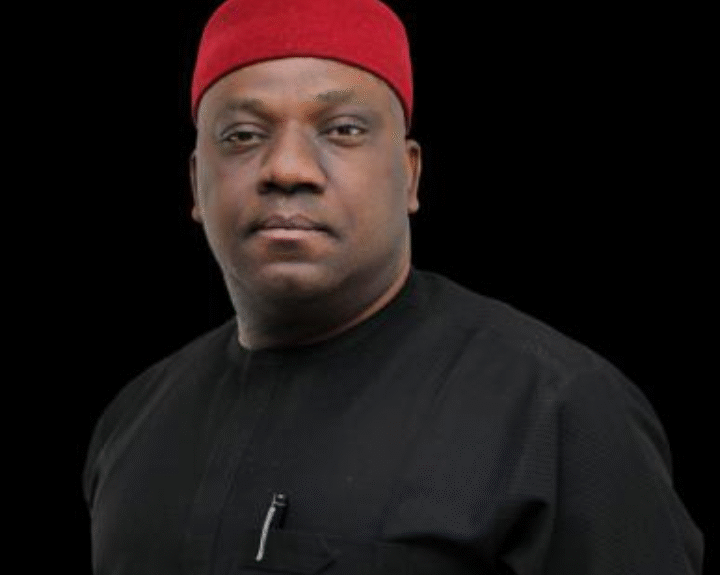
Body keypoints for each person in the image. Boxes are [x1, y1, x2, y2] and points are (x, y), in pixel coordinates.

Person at [82, 0, 704, 573]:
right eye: (243, 135)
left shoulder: (556, 412)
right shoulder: (133, 425)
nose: (288, 168)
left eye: (342, 130)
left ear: (409, 175)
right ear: (196, 183)